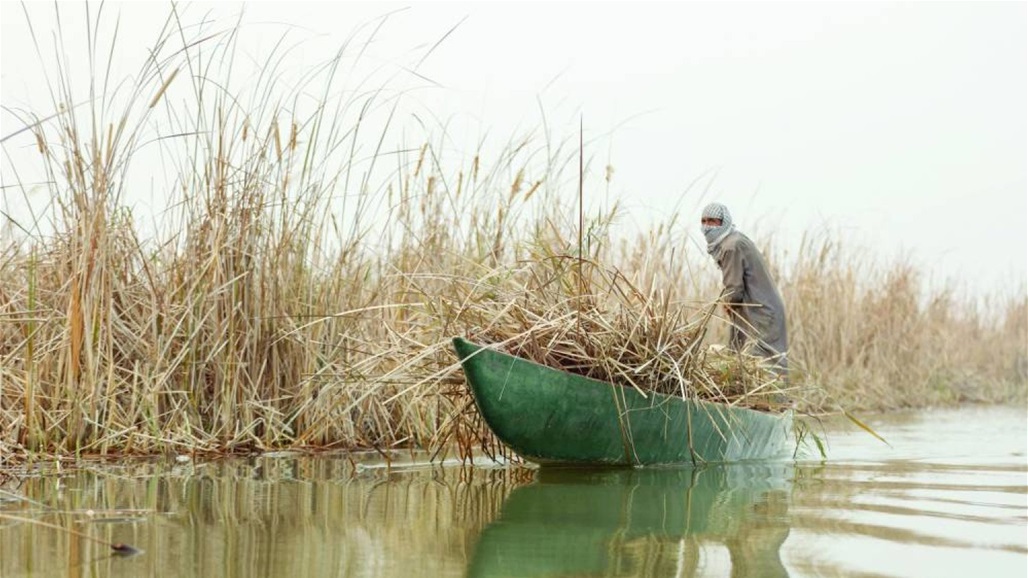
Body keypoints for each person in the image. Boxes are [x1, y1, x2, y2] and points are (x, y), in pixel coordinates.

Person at [701, 202, 788, 373]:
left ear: (723, 222)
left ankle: (775, 399)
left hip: (761, 313)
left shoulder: (731, 246)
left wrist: (727, 303)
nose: (707, 227)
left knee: (762, 364)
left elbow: (734, 291)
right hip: (759, 311)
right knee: (747, 360)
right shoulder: (735, 240)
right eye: (704, 221)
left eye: (713, 221)